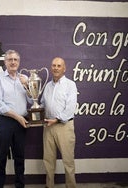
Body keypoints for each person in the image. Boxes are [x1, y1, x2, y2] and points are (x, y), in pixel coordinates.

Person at [0, 49, 30, 188]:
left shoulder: (24, 78)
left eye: (15, 60)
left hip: (21, 122)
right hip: (4, 122)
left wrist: (27, 85)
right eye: (10, 59)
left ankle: (20, 186)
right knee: (1, 157)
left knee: (20, 157)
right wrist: (17, 117)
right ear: (5, 62)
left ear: (19, 62)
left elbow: (32, 101)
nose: (13, 62)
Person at [41, 57, 78, 188]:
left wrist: (56, 120)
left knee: (68, 161)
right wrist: (35, 110)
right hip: (48, 127)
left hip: (64, 126)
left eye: (59, 65)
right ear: (51, 68)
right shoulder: (47, 86)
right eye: (54, 65)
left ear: (64, 68)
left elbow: (70, 108)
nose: (56, 68)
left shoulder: (70, 85)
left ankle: (71, 186)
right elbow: (42, 105)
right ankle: (49, 186)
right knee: (48, 160)